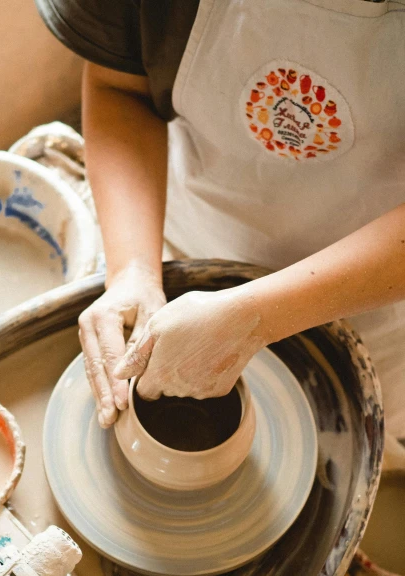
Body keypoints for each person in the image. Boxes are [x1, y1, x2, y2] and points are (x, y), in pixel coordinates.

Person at [36, 0, 405, 432]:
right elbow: (120, 88)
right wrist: (132, 272)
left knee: (354, 429)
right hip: (182, 234)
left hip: (372, 286)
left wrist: (260, 316)